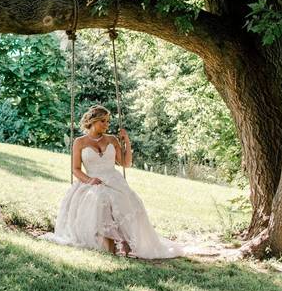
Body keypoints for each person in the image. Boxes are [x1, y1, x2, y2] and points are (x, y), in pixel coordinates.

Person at [40, 105, 182, 259]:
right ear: (92, 121)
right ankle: (109, 244)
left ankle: (126, 243)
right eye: (103, 121)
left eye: (108, 121)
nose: (107, 125)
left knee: (124, 200)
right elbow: (75, 169)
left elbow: (125, 164)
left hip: (114, 180)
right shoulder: (79, 142)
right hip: (91, 181)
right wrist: (90, 180)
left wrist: (126, 141)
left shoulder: (112, 140)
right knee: (100, 199)